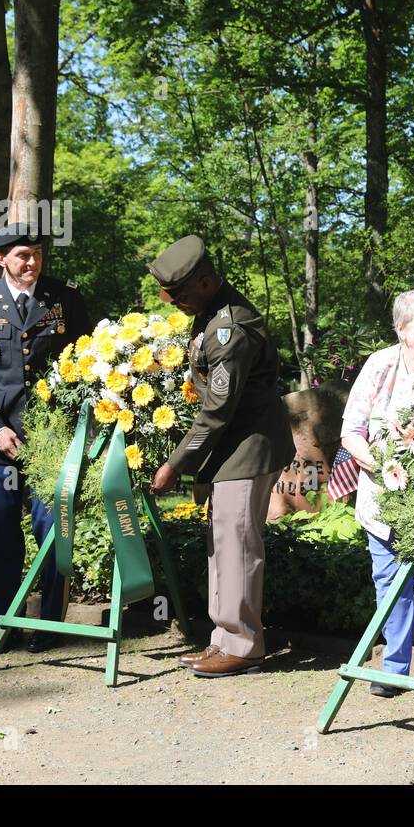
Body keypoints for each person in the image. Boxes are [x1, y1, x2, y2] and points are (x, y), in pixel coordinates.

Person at [148, 235, 295, 678]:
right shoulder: (211, 314)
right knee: (223, 545)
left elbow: (217, 411)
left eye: (179, 294)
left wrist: (175, 465)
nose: (173, 303)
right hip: (230, 448)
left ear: (206, 281)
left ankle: (244, 645)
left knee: (238, 546)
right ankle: (224, 639)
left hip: (246, 447)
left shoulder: (229, 330)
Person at [0, 221, 89, 653]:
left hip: (53, 443)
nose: (32, 262)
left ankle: (50, 626)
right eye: (23, 255)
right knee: (1, 539)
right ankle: (6, 623)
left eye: (37, 254)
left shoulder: (65, 298)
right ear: (1, 258)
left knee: (54, 535)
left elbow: (87, 364)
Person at [341, 290, 414, 702]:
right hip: (383, 496)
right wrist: (381, 465)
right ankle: (393, 666)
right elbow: (351, 430)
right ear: (401, 330)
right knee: (390, 580)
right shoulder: (380, 364)